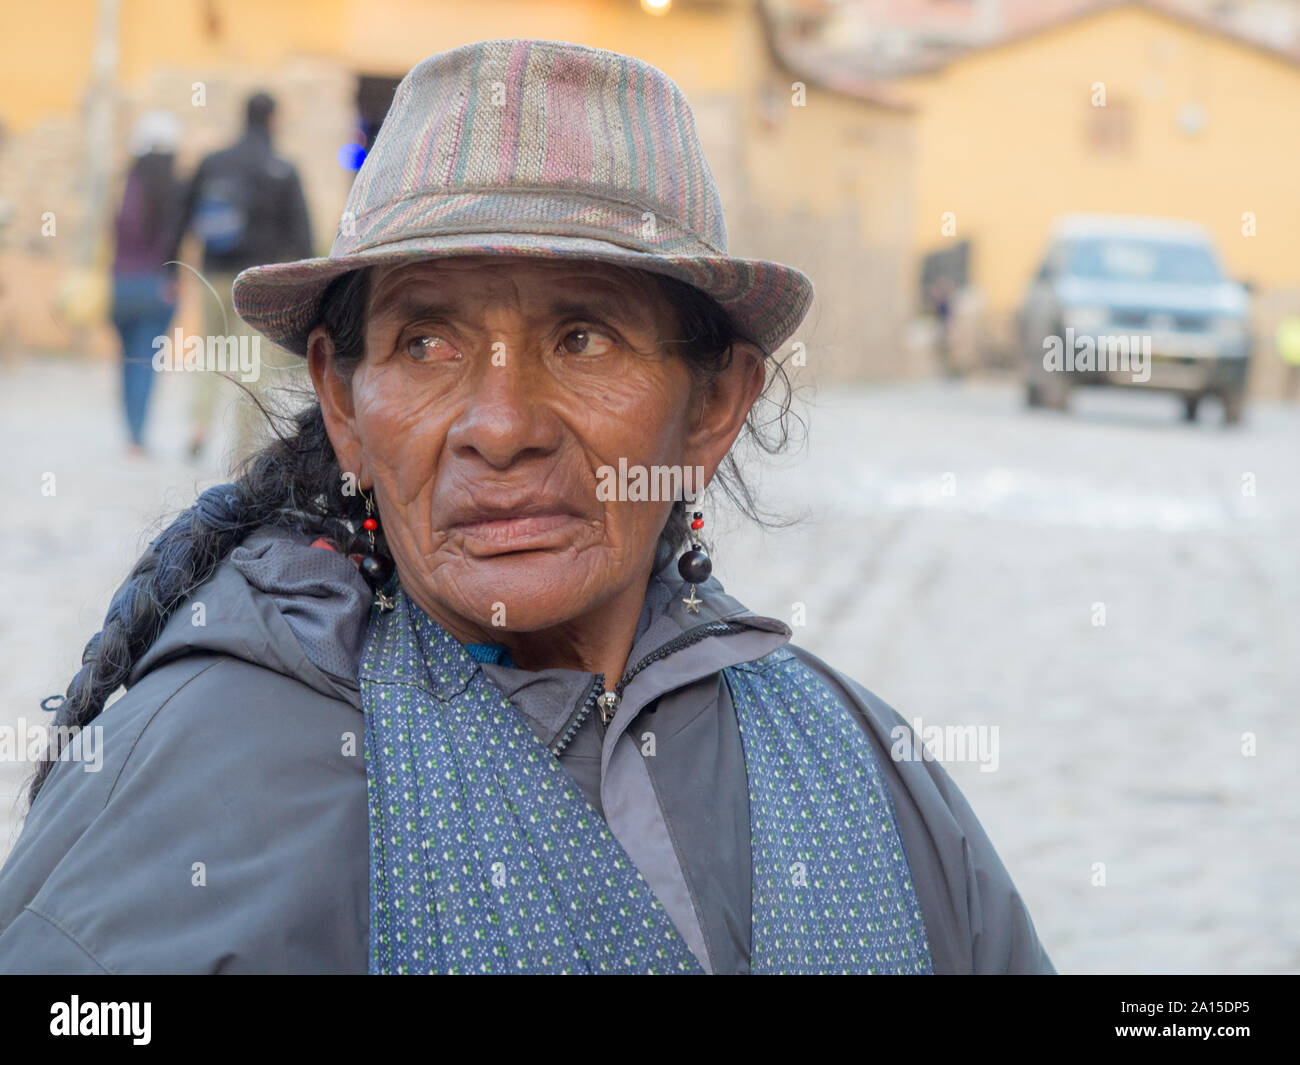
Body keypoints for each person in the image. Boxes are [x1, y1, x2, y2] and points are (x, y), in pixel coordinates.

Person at [0, 40, 1053, 975]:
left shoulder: (863, 778)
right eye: (426, 342)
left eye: (584, 337)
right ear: (343, 403)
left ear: (714, 403)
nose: (500, 425)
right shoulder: (195, 796)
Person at [167, 90, 313, 465]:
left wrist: (169, 266)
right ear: (273, 120)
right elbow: (301, 233)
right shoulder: (281, 168)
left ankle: (198, 427)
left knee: (211, 353)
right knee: (251, 362)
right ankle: (245, 448)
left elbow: (182, 215)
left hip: (212, 275)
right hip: (256, 285)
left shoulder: (214, 162)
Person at [109, 111, 183, 456]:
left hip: (121, 284)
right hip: (158, 286)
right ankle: (137, 436)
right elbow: (177, 242)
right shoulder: (175, 190)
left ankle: (130, 431)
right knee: (145, 360)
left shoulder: (125, 187)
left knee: (127, 359)